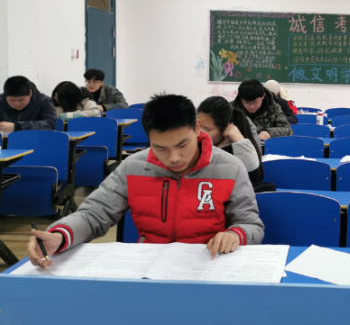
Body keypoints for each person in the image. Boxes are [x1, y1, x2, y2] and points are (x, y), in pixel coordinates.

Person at [27, 94, 264, 269]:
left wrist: (235, 235)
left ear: (197, 128)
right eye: (160, 148)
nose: (174, 158)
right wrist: (59, 235)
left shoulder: (230, 168)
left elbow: (251, 225)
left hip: (209, 265)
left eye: (182, 144)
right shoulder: (134, 167)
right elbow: (94, 214)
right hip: (149, 267)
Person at [198, 96, 264, 185]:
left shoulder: (236, 150)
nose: (200, 132)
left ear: (225, 127)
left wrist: (240, 142)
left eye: (207, 129)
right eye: (198, 126)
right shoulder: (193, 143)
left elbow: (253, 180)